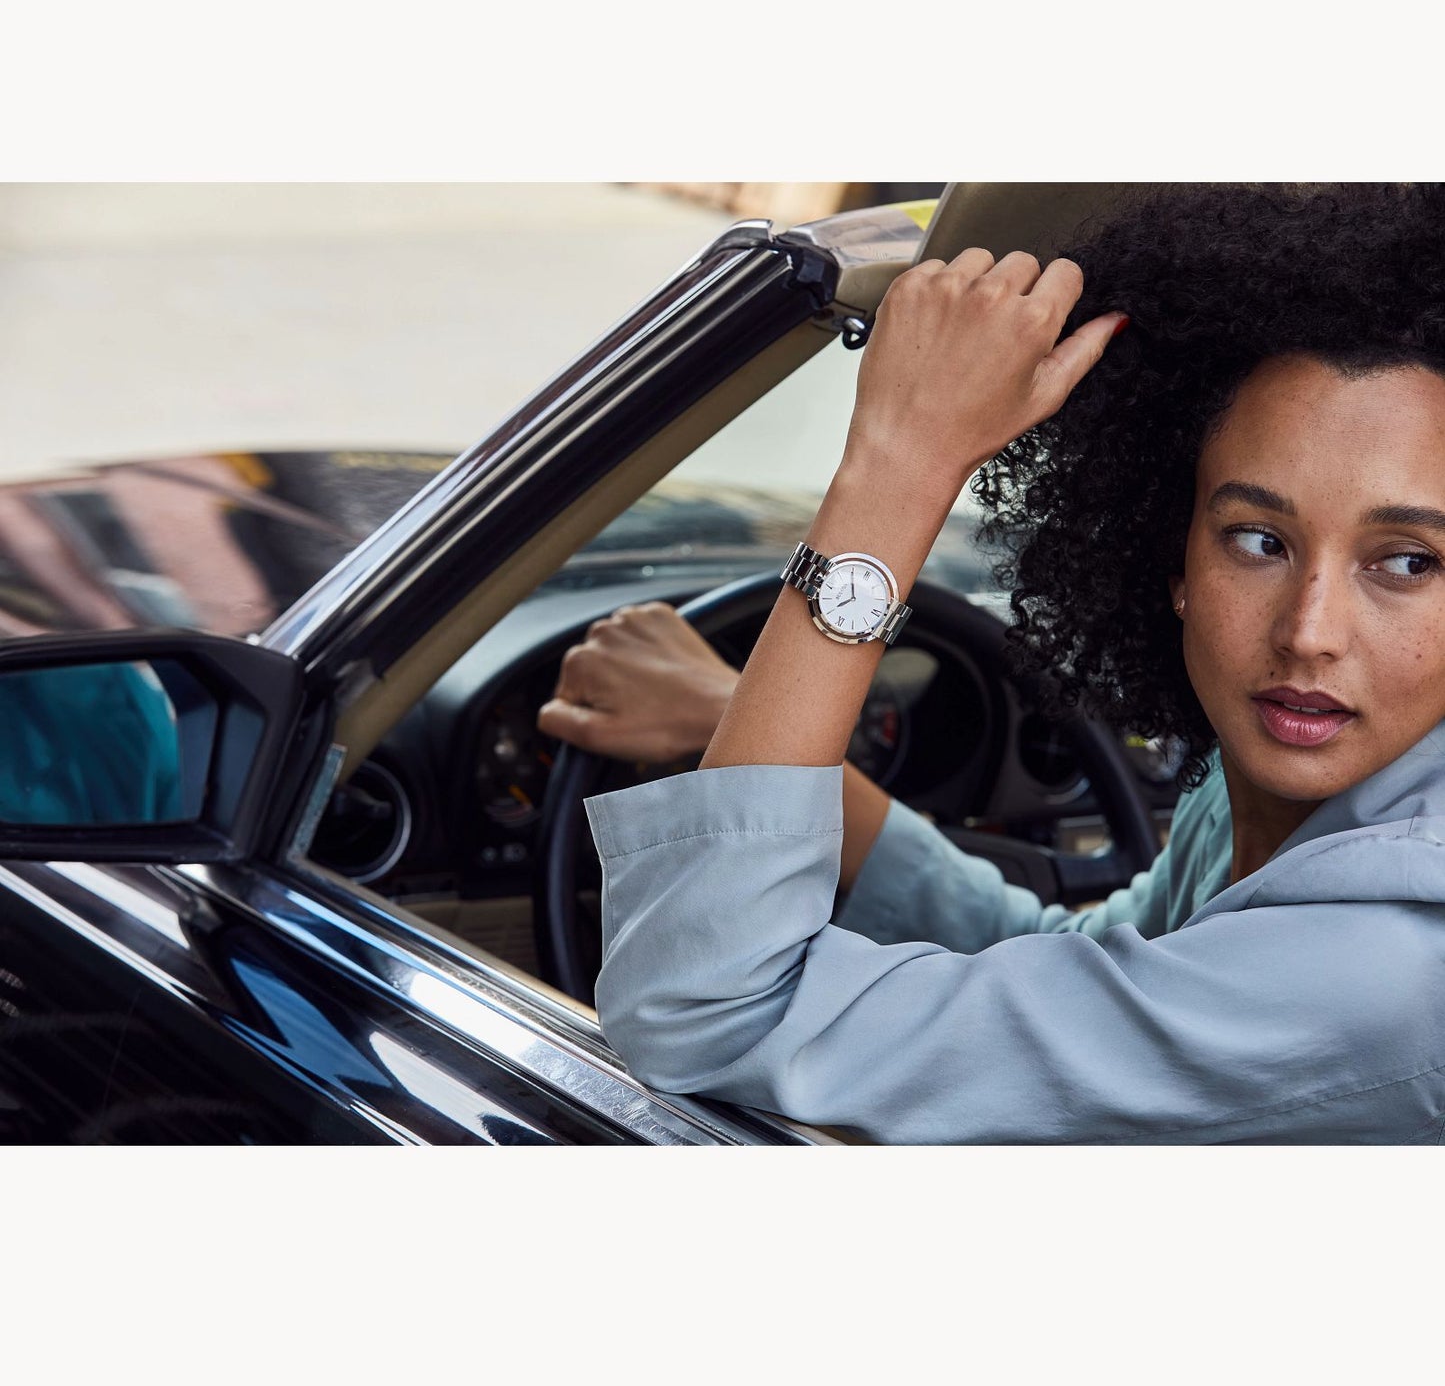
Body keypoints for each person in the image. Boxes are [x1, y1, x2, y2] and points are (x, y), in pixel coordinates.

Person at [538, 184, 1445, 1144]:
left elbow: (705, 1010)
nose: (1309, 633)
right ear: (1171, 555)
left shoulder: (1383, 964)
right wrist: (750, 731)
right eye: (1257, 539)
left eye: (1407, 562)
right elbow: (1085, 972)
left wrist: (903, 457)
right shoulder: (1293, 773)